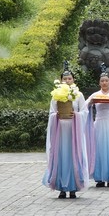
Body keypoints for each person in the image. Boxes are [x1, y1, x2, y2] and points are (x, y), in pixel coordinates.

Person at [43, 65, 90, 198]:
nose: (67, 81)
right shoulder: (56, 95)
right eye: (65, 79)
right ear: (61, 80)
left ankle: (73, 187)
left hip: (73, 130)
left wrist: (76, 115)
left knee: (73, 155)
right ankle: (61, 188)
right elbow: (51, 112)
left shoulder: (78, 95)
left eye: (70, 79)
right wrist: (56, 115)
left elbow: (84, 112)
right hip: (60, 130)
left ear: (73, 80)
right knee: (61, 156)